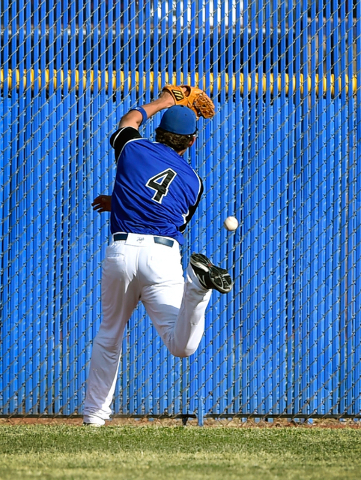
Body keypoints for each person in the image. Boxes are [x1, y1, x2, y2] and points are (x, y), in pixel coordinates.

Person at [83, 88, 233, 427]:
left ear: (158, 131)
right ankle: (196, 287)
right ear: (190, 142)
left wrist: (165, 101)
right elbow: (168, 214)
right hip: (161, 256)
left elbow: (130, 120)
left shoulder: (133, 147)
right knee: (181, 348)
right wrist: (120, 201)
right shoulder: (194, 182)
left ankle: (94, 416)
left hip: (121, 252)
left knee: (110, 333)